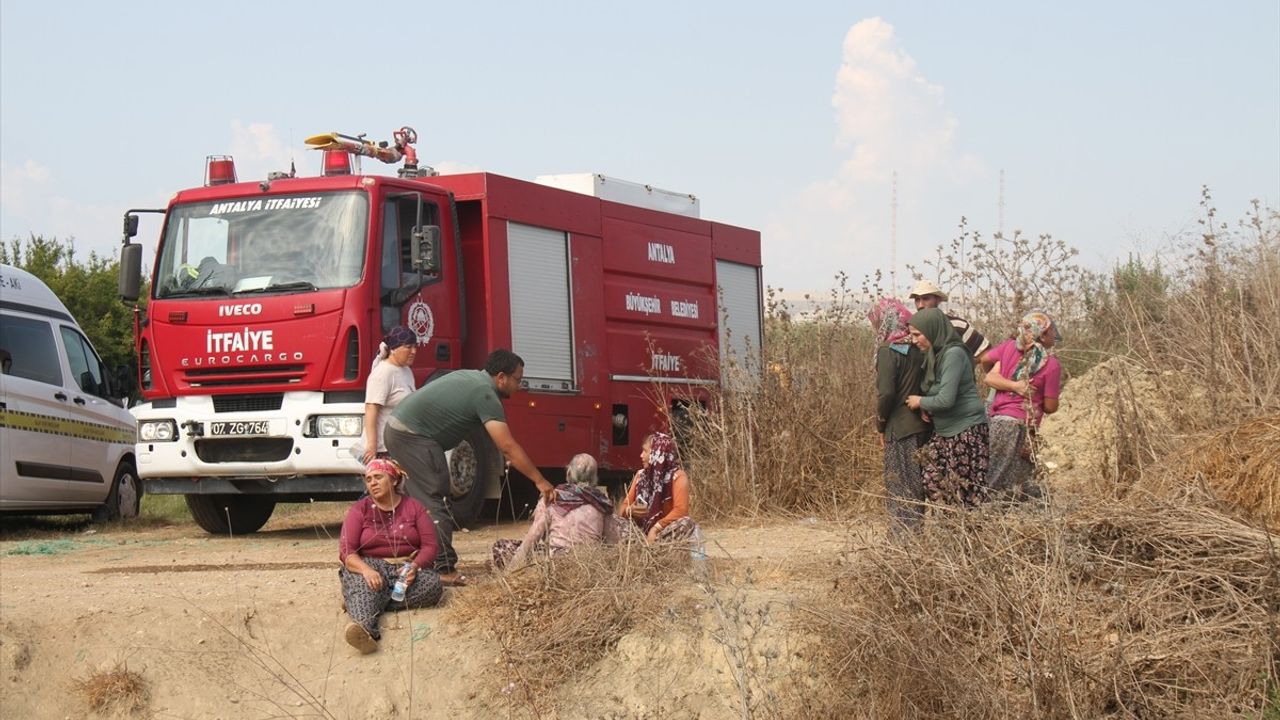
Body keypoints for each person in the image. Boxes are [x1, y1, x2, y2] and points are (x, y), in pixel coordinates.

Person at [384, 349, 555, 585]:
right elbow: (507, 446)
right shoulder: (485, 394)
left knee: (421, 500)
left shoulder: (472, 378)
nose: (519, 386)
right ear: (502, 377)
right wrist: (540, 480)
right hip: (412, 436)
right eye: (518, 379)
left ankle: (421, 556)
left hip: (402, 431)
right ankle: (443, 568)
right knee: (436, 500)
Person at [338, 458, 443, 654]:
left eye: (378, 477)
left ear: (394, 480)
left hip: (404, 569)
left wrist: (414, 566)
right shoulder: (359, 510)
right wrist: (366, 570)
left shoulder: (414, 507)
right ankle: (366, 633)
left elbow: (430, 546)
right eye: (368, 479)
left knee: (434, 585)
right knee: (364, 584)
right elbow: (346, 552)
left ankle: (360, 600)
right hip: (370, 569)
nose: (372, 483)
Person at [905, 308, 991, 506]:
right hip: (945, 432)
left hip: (965, 431)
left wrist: (921, 401)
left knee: (964, 492)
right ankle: (951, 531)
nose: (914, 340)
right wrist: (928, 405)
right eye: (912, 335)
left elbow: (946, 399)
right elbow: (936, 388)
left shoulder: (953, 354)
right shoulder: (935, 354)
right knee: (932, 481)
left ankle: (967, 534)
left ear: (933, 329)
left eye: (918, 335)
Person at [982, 311, 1062, 500]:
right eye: (1052, 331)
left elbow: (985, 361)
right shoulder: (1051, 365)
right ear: (1042, 335)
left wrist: (1004, 381)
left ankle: (1012, 517)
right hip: (1018, 427)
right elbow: (1050, 407)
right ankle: (980, 518)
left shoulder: (1009, 348)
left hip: (998, 420)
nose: (1055, 335)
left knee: (1017, 476)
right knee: (999, 479)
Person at [869, 297, 930, 533]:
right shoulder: (918, 347)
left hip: (899, 428)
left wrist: (880, 425)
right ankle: (916, 535)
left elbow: (886, 393)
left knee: (900, 486)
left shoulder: (887, 350)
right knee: (916, 486)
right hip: (923, 426)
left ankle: (903, 541)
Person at [491, 453, 613, 570]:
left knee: (501, 546)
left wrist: (511, 572)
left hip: (558, 566)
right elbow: (612, 541)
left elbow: (531, 540)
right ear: (595, 478)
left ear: (568, 473)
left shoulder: (552, 499)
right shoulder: (602, 503)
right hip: (591, 565)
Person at [617, 432, 698, 544]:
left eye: (645, 451)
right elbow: (623, 507)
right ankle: (639, 546)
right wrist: (630, 510)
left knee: (687, 523)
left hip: (662, 532)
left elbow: (681, 510)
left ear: (657, 453)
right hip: (639, 533)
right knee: (614, 520)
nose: (641, 455)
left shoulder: (678, 477)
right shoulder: (640, 476)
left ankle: (656, 546)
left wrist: (656, 528)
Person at [360, 326, 417, 464]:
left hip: (402, 444)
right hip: (384, 449)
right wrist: (372, 445)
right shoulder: (383, 373)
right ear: (393, 349)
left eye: (415, 347)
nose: (413, 351)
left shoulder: (406, 370)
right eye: (408, 347)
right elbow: (371, 408)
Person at [908, 280, 990, 360]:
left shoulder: (958, 325)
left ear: (938, 300)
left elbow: (985, 353)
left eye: (926, 299)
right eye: (917, 300)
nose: (920, 305)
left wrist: (964, 364)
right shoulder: (912, 328)